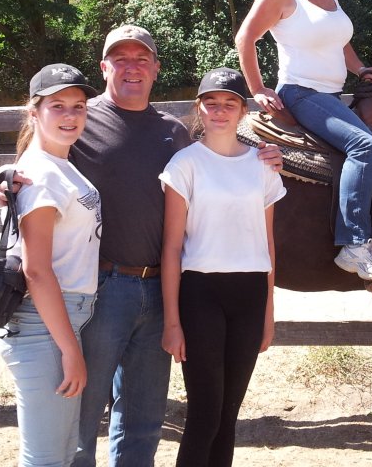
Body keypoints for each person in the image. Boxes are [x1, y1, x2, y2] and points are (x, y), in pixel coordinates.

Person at [0, 25, 282, 467]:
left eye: (142, 59)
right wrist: (1, 182)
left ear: (156, 69)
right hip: (103, 288)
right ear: (104, 66)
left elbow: (216, 154)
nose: (132, 67)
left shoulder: (173, 132)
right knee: (83, 412)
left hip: (160, 288)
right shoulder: (80, 116)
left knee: (143, 418)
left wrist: (262, 153)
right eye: (121, 58)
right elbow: (35, 156)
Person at [236, 0, 372, 281]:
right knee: (364, 146)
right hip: (301, 92)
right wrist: (257, 88)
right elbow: (246, 38)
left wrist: (362, 68)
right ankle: (353, 243)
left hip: (332, 94)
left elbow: (341, 43)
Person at [159, 68, 284, 467]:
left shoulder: (262, 164)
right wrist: (172, 321)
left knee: (229, 415)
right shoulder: (185, 164)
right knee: (204, 414)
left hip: (250, 295)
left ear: (242, 111)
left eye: (229, 103)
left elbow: (267, 245)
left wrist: (268, 314)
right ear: (199, 108)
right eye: (211, 103)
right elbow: (172, 247)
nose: (219, 111)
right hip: (201, 294)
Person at [0, 63, 102, 467]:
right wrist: (70, 349)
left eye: (78, 106)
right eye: (57, 106)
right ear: (34, 112)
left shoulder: (59, 165)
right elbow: (36, 270)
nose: (71, 116)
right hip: (45, 326)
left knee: (60, 451)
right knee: (45, 457)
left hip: (60, 320)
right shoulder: (41, 173)